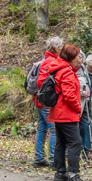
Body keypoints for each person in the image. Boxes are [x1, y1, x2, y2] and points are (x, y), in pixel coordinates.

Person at [41, 44, 87, 181]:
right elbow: (69, 95)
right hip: (67, 113)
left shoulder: (60, 68)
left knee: (61, 142)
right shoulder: (66, 71)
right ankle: (73, 175)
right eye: (77, 56)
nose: (80, 59)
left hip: (58, 112)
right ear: (70, 58)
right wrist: (79, 108)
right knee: (75, 142)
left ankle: (60, 172)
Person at [32, 36, 63, 167]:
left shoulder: (46, 59)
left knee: (43, 128)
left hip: (40, 101)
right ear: (56, 48)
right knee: (53, 129)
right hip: (46, 102)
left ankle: (39, 157)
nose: (62, 49)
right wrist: (53, 96)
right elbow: (42, 82)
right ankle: (52, 159)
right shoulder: (50, 61)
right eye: (61, 46)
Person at [76, 51, 92, 161]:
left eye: (81, 57)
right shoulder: (69, 69)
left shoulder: (83, 68)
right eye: (78, 57)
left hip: (86, 102)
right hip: (76, 102)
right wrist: (81, 93)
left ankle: (88, 151)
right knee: (75, 128)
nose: (80, 59)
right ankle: (75, 152)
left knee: (89, 124)